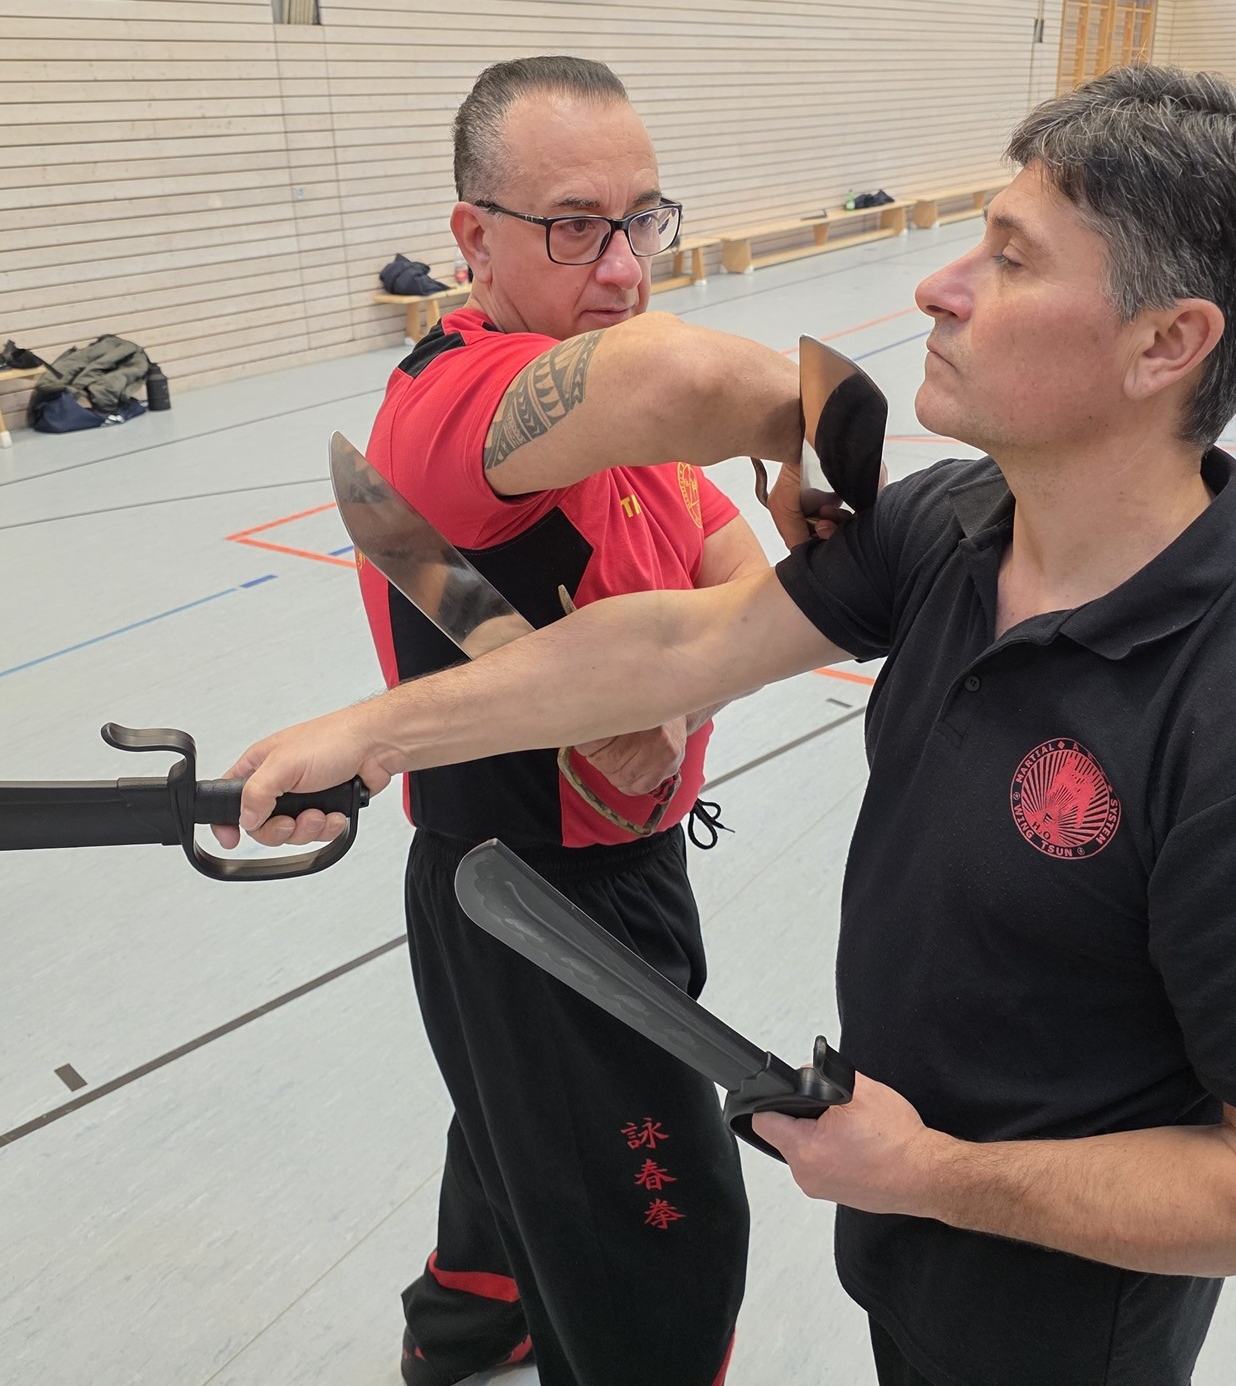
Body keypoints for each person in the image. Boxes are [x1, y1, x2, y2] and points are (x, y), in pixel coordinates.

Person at [219, 67, 1236, 1386]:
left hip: (1056, 1318)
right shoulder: (951, 530)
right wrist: (374, 733)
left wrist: (932, 1173)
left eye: (1009, 259)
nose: (937, 287)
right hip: (901, 1230)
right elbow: (683, 640)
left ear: (1165, 343)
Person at [325, 57, 802, 1386]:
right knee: (662, 1228)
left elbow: (742, 583)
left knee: (520, 1117)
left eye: (642, 218)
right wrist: (825, 421)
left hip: (617, 872)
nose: (624, 267)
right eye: (574, 226)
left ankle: (469, 1317)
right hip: (529, 897)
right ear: (472, 237)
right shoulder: (462, 404)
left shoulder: (593, 411)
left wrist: (675, 691)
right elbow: (672, 375)